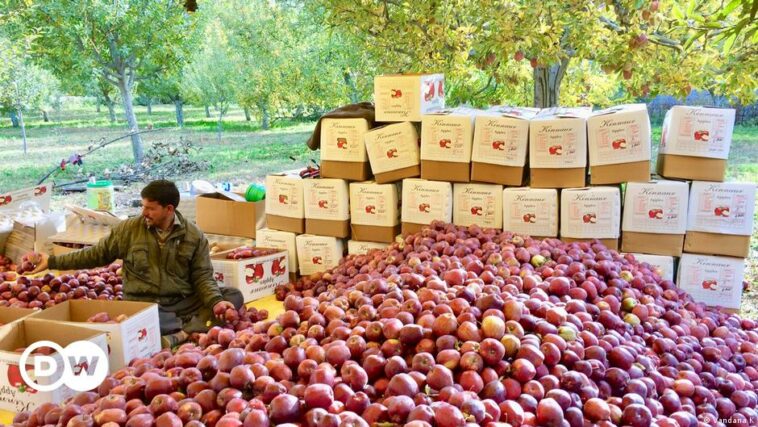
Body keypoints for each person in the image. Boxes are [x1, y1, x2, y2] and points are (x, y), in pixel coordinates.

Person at [28, 180, 243, 348]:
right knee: (132, 321)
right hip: (144, 304)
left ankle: (181, 333)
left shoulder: (193, 236)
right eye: (143, 206)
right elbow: (96, 255)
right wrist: (52, 261)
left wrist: (215, 302)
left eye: (150, 208)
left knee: (233, 296)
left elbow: (202, 276)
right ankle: (193, 326)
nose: (144, 213)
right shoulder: (129, 229)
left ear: (169, 209)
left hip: (182, 300)